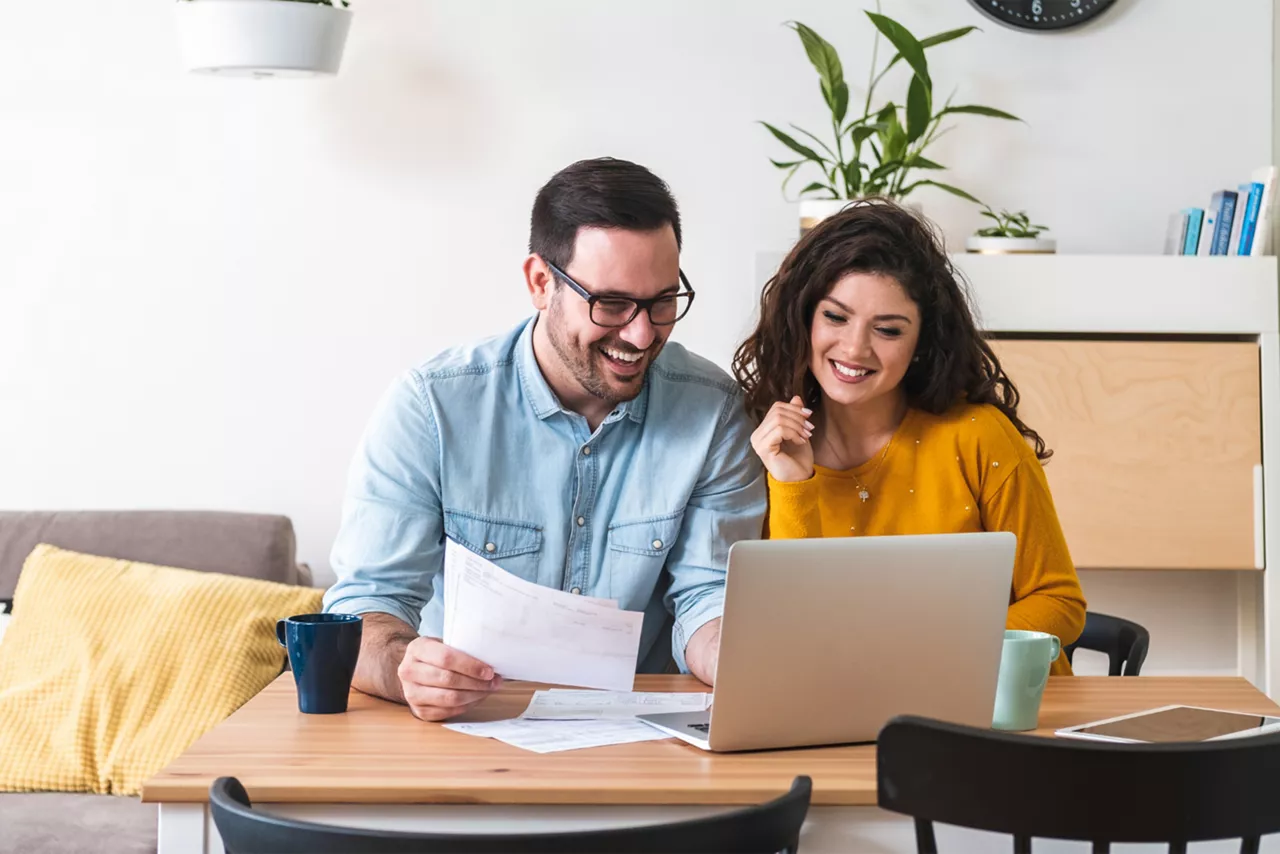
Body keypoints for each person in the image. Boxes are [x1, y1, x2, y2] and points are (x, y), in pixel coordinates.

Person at [324, 157, 766, 720]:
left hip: (640, 742)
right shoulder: (430, 407)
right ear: (540, 282)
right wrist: (404, 666)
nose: (641, 334)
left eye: (661, 302)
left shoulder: (713, 411)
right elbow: (365, 609)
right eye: (611, 303)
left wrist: (736, 656)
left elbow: (707, 599)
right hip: (461, 734)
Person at [732, 199, 1085, 674]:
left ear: (922, 343)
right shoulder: (764, 445)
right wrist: (793, 483)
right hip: (844, 706)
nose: (855, 348)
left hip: (993, 711)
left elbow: (1059, 601)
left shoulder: (979, 437)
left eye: (888, 330)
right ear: (803, 318)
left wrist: (930, 652)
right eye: (836, 317)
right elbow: (792, 629)